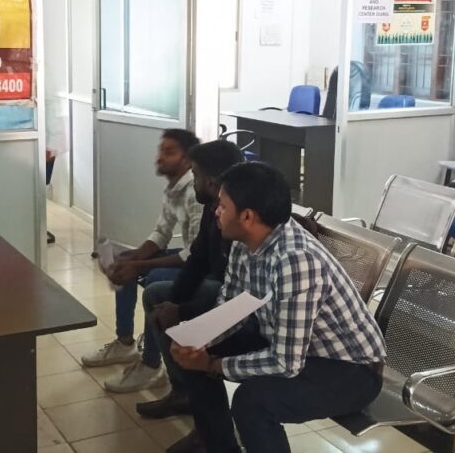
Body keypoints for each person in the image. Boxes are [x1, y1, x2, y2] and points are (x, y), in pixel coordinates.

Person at [168, 162, 386, 453]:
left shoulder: (294, 260)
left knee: (253, 402)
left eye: (222, 206)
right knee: (191, 353)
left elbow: (286, 363)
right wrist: (198, 341)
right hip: (293, 345)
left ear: (247, 216)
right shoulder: (244, 241)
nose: (216, 211)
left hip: (350, 369)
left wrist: (212, 364)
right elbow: (229, 308)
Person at [80, 129, 203, 393]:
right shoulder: (174, 187)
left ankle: (151, 364)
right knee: (126, 261)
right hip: (193, 255)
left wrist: (139, 266)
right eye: (160, 150)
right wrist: (131, 260)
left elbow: (194, 255)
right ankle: (125, 343)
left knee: (155, 280)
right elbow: (161, 233)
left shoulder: (196, 192)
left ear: (187, 159)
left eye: (169, 152)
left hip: (205, 264)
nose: (159, 157)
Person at [135, 140, 245, 419]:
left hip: (241, 303)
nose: (192, 181)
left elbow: (238, 294)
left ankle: (204, 411)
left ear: (210, 181)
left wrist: (182, 310)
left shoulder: (241, 215)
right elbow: (197, 259)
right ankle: (182, 391)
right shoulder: (213, 206)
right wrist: (174, 302)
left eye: (194, 174)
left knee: (205, 292)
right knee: (157, 295)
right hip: (221, 289)